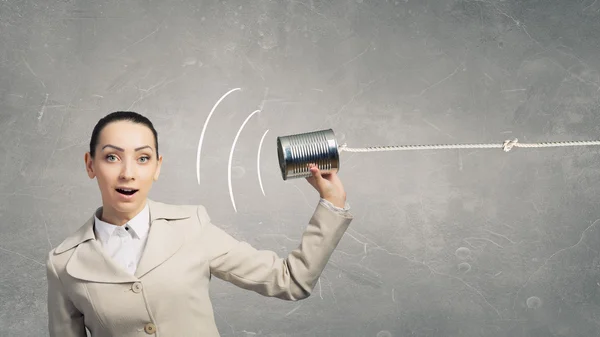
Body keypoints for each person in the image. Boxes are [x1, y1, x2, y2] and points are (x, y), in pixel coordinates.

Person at [46, 111, 353, 337]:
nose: (128, 173)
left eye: (142, 158)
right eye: (112, 157)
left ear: (157, 167)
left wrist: (332, 205)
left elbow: (290, 280)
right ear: (90, 164)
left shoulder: (191, 227)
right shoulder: (64, 263)